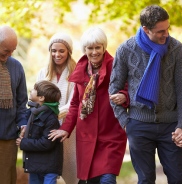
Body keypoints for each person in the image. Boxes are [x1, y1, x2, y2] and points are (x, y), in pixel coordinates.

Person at [109, 5, 182, 184]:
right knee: (145, 179)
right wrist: (126, 122)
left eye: (168, 28)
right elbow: (113, 89)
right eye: (160, 31)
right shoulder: (125, 49)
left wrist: (181, 125)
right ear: (146, 29)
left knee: (178, 178)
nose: (166, 34)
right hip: (138, 126)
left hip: (171, 126)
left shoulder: (177, 49)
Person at [48, 27, 128, 184]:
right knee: (91, 181)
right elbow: (75, 103)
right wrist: (65, 128)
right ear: (84, 49)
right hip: (87, 135)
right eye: (90, 48)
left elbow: (130, 88)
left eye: (97, 47)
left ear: (104, 47)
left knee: (107, 178)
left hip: (110, 133)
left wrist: (124, 96)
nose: (94, 52)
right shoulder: (81, 68)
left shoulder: (115, 65)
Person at [37, 32, 78, 184]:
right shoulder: (43, 73)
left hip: (69, 128)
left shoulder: (75, 73)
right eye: (54, 50)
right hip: (46, 127)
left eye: (61, 50)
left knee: (72, 169)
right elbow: (36, 98)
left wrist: (52, 115)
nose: (57, 54)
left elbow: (73, 102)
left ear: (68, 52)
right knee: (48, 173)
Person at [16, 80, 63, 184]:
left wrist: (23, 143)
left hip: (49, 167)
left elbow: (47, 143)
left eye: (34, 89)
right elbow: (22, 120)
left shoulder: (51, 119)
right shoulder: (32, 112)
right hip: (35, 165)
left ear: (41, 98)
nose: (31, 90)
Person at [0, 25, 28, 184]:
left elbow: (22, 103)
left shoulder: (16, 67)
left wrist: (23, 124)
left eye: (12, 51)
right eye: (6, 51)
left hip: (8, 138)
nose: (9, 55)